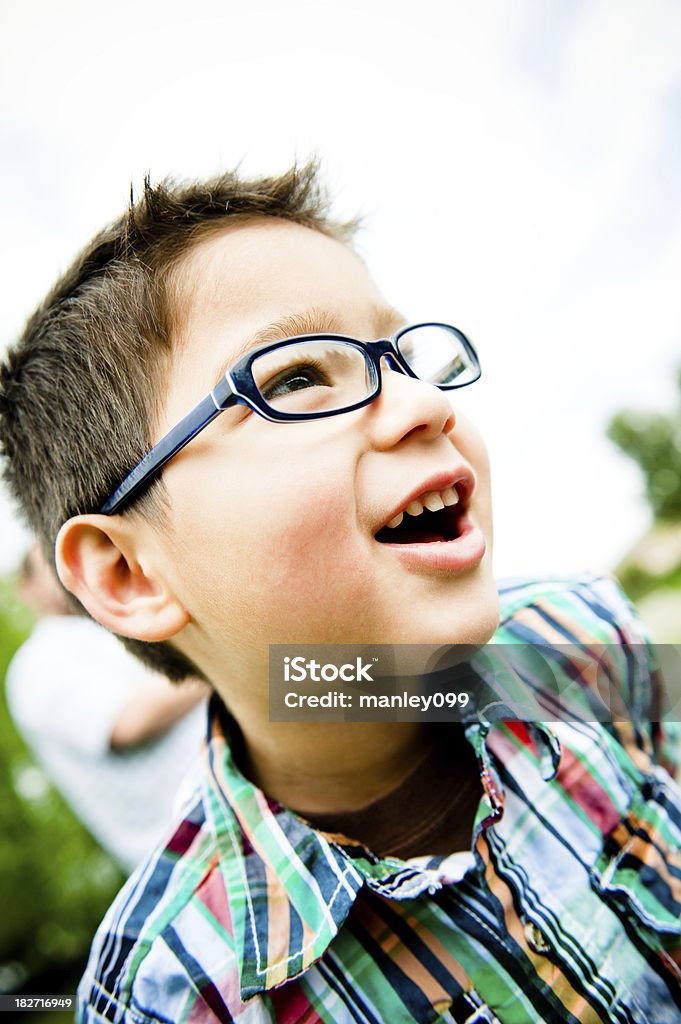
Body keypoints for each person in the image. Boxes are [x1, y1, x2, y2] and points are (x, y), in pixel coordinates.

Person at [0, 163, 679, 1023]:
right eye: (293, 378)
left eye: (402, 356)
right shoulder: (169, 992)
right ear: (129, 577)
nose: (423, 402)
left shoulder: (585, 636)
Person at [6, 544, 209, 872]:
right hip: (198, 848)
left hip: (239, 809)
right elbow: (127, 723)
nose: (67, 568)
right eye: (49, 560)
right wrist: (223, 665)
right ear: (27, 588)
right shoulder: (39, 661)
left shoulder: (109, 627)